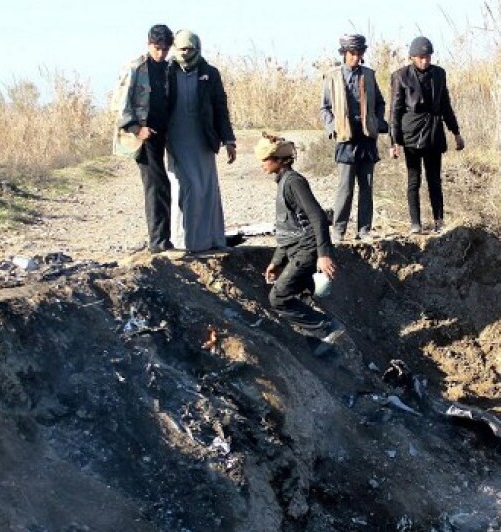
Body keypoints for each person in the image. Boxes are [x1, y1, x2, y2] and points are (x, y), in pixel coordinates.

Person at [256, 133, 345, 355]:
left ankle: (328, 327)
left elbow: (317, 217)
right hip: (296, 250)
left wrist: (324, 254)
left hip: (306, 251)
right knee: (302, 298)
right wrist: (277, 261)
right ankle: (323, 347)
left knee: (278, 298)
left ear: (279, 160)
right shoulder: (283, 182)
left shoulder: (293, 182)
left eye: (265, 160)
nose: (262, 165)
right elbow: (288, 228)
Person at [166, 29, 237, 257]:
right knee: (185, 187)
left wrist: (228, 139)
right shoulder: (167, 72)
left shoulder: (209, 73)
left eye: (189, 49)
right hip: (176, 138)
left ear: (197, 49)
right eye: (181, 49)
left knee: (206, 188)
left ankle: (212, 239)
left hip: (203, 139)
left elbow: (220, 107)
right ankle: (183, 240)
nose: (185, 54)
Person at [389, 36, 464, 235]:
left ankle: (439, 220)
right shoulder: (400, 76)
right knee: (414, 179)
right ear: (413, 57)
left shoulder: (439, 74)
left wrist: (456, 132)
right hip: (411, 132)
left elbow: (446, 105)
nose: (425, 61)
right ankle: (415, 223)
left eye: (428, 57)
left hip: (433, 131)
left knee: (434, 179)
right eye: (421, 57)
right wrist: (394, 141)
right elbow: (395, 111)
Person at [114, 24, 175, 254]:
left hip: (162, 134)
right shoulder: (135, 68)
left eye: (165, 49)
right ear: (149, 44)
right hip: (142, 137)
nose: (161, 53)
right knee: (156, 186)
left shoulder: (168, 69)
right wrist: (137, 129)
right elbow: (120, 106)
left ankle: (163, 240)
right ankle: (158, 243)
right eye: (157, 48)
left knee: (163, 186)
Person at [321, 33, 387, 242]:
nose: (355, 58)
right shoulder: (332, 76)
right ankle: (339, 230)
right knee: (345, 188)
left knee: (366, 187)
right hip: (345, 137)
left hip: (366, 136)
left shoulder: (369, 75)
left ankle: (364, 230)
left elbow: (380, 102)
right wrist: (332, 126)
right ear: (344, 54)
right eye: (352, 54)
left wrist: (376, 121)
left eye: (359, 54)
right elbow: (324, 108)